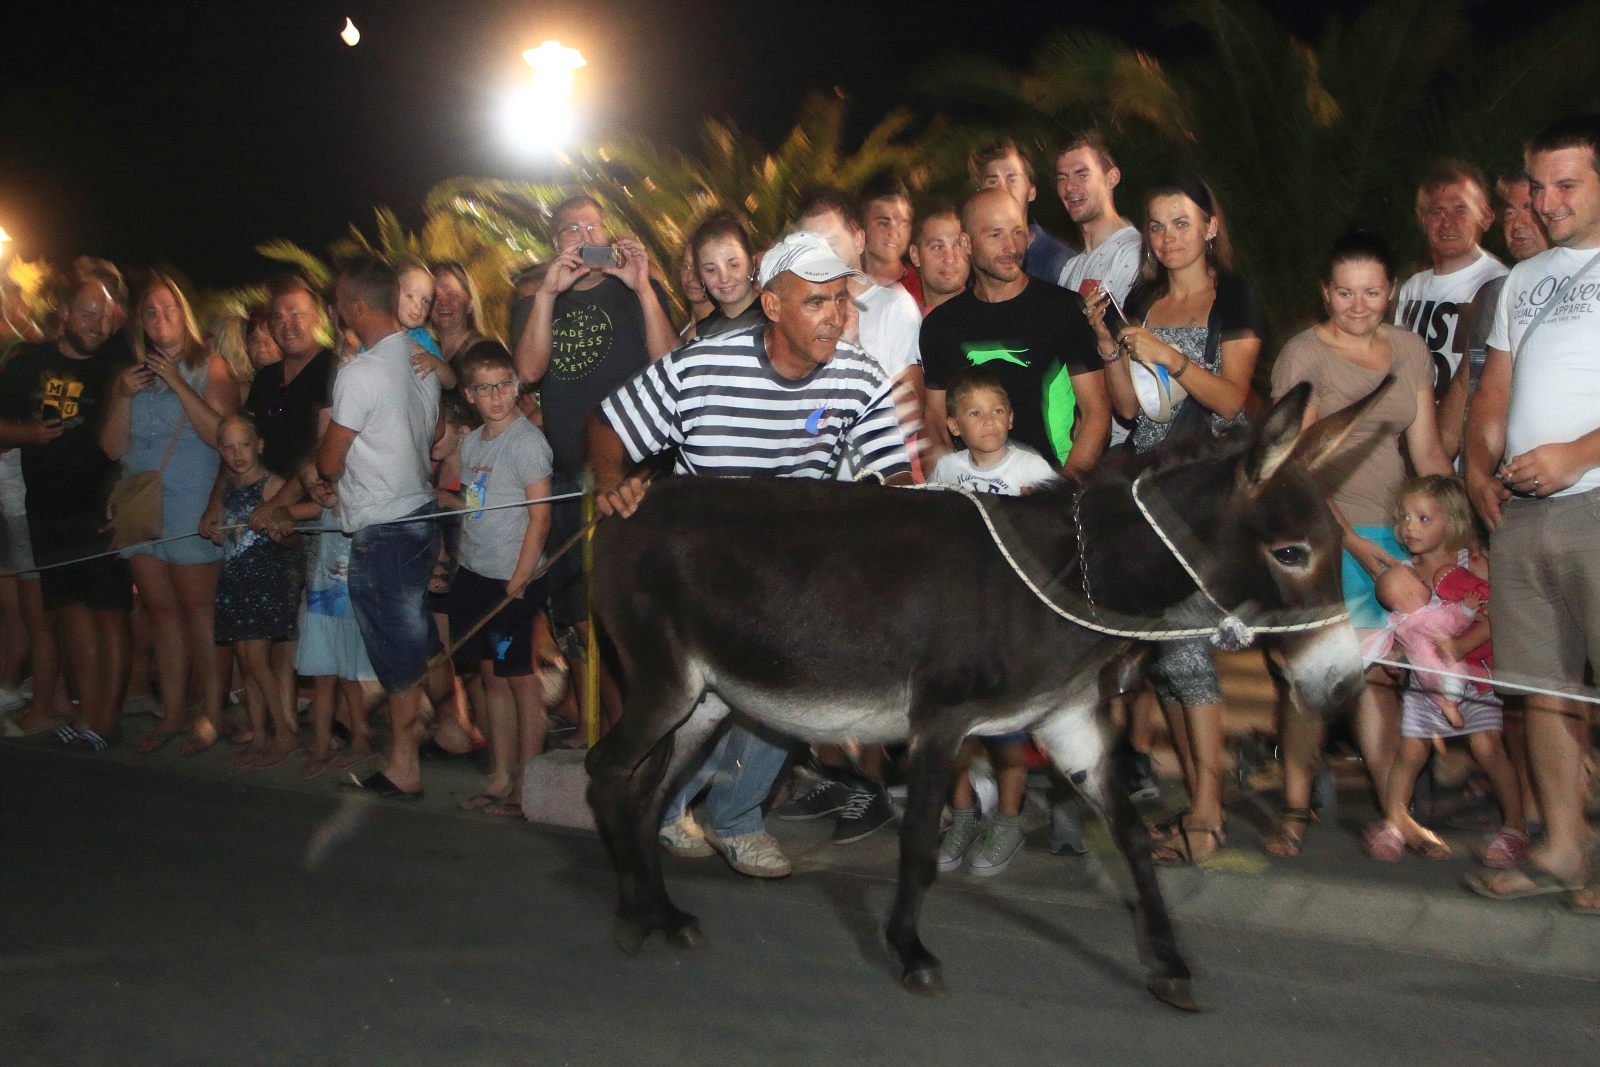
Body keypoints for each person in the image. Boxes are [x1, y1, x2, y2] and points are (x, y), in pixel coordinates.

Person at [592, 230, 913, 878]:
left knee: (801, 675)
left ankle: (733, 815)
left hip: (788, 568)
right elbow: (609, 423)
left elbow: (898, 476)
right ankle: (667, 802)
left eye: (840, 300)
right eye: (817, 301)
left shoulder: (858, 375)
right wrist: (610, 480)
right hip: (700, 569)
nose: (835, 316)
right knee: (689, 702)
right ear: (772, 305)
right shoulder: (701, 366)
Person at [1084, 175, 1261, 864]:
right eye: (1157, 225)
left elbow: (1232, 400)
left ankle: (1208, 816)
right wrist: (1108, 344)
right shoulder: (1142, 299)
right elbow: (1130, 410)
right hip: (1148, 492)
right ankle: (1197, 800)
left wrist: (1170, 356)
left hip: (1206, 492)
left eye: (1181, 222)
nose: (1167, 237)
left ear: (1211, 226)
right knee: (1167, 657)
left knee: (1186, 648)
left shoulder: (1232, 295)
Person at [1268, 228, 1452, 858]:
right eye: (1345, 293)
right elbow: (1290, 465)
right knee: (1314, 679)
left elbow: (1427, 450)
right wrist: (1349, 541)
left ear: (1390, 290)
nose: (1358, 305)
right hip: (1321, 534)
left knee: (1378, 678)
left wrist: (1451, 535)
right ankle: (1293, 810)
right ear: (1326, 292)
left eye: (1371, 292)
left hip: (1393, 533)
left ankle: (1395, 814)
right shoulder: (1303, 355)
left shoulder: (1409, 350)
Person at [1464, 115, 1600, 913]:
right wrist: (1477, 468)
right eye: (1538, 186)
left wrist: (1577, 454)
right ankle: (1562, 846)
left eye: (1566, 184)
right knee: (1540, 688)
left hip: (1593, 501)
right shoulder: (1523, 280)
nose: (1547, 202)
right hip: (1522, 515)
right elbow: (1494, 389)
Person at [512, 194, 674, 655]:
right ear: (556, 243)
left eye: (593, 228)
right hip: (567, 478)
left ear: (607, 234)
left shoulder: (639, 291)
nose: (585, 237)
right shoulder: (536, 303)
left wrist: (643, 287)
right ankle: (598, 703)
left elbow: (668, 363)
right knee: (581, 613)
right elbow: (528, 372)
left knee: (639, 609)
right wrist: (547, 294)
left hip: (633, 476)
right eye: (573, 230)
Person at [317, 257, 443, 800]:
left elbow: (328, 461)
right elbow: (432, 432)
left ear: (355, 307)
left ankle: (403, 766)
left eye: (339, 305)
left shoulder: (360, 373)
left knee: (397, 653)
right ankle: (451, 726)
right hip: (421, 515)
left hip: (385, 527)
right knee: (417, 637)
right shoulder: (422, 362)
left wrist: (330, 471)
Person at [99, 274, 239, 754]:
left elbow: (222, 437)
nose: (161, 319)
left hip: (192, 500)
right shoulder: (131, 375)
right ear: (141, 321)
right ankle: (174, 711)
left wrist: (178, 383)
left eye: (169, 309)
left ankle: (212, 713)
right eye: (151, 312)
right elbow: (112, 447)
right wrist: (122, 396)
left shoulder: (210, 366)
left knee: (201, 613)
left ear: (184, 314)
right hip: (143, 505)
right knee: (161, 614)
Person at [930, 371, 1059, 877]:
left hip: (1010, 620)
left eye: (997, 411)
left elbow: (1054, 537)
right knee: (954, 725)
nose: (988, 422)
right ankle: (962, 815)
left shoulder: (1031, 468)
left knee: (1007, 727)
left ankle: (1008, 819)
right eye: (975, 413)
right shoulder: (947, 469)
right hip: (958, 616)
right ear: (954, 425)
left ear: (1012, 418)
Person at [1360, 476, 1527, 866]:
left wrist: (1462, 646)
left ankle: (1515, 826)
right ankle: (1395, 821)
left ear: (1452, 521)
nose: (1410, 527)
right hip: (1424, 686)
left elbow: (1496, 616)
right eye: (1404, 517)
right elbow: (1403, 626)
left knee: (1487, 749)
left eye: (1423, 518)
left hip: (1474, 680)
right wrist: (1396, 654)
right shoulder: (1404, 573)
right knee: (1409, 753)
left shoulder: (1474, 564)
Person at [0, 276, 133, 750]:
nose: (97, 324)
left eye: (104, 315)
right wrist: (27, 434)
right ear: (64, 313)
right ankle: (86, 715)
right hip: (45, 508)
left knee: (109, 612)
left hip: (98, 509)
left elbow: (129, 443)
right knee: (72, 612)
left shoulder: (117, 366)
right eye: (87, 313)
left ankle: (106, 721)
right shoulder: (29, 362)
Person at [921, 187, 1110, 479]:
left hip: (1051, 486)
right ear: (966, 243)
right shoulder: (941, 326)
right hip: (974, 495)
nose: (1011, 246)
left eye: (1018, 232)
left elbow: (1096, 413)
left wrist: (1061, 491)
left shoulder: (1063, 310)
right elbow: (935, 422)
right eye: (995, 235)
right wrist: (950, 487)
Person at [449, 345, 555, 814]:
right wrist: (459, 561)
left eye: (503, 385)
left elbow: (541, 518)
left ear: (516, 386)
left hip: (512, 578)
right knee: (491, 676)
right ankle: (500, 773)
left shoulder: (527, 443)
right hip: (476, 572)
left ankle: (527, 783)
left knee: (520, 679)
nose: (495, 396)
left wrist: (519, 580)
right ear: (469, 394)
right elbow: (474, 507)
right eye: (484, 388)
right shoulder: (471, 444)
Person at [1394, 160, 1507, 459]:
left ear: (1486, 216)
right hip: (1415, 443)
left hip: (1467, 451)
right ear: (1422, 219)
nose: (1448, 222)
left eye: (1461, 210)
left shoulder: (1499, 284)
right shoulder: (1412, 288)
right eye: (1437, 212)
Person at [213, 414, 301, 768]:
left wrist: (282, 531)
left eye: (244, 445)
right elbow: (228, 532)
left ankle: (284, 733)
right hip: (235, 581)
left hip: (263, 581)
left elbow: (293, 538)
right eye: (228, 448)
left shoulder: (272, 485)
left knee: (259, 662)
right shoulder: (227, 487)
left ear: (259, 445)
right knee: (246, 663)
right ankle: (260, 734)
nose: (237, 454)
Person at [1054, 131, 1143, 453]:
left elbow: (1132, 348)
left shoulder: (1133, 252)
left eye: (1082, 174)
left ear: (1111, 178)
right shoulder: (1071, 268)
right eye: (1062, 178)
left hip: (1123, 440)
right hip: (1081, 435)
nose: (1070, 187)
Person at [969, 139, 1076, 284]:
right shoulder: (966, 260)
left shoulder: (1063, 263)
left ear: (1031, 191)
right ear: (979, 194)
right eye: (993, 182)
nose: (1003, 189)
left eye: (1012, 180)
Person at [687, 210, 764, 338]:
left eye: (734, 265)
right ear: (700, 275)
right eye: (711, 270)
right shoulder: (698, 337)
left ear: (751, 264)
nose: (724, 278)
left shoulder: (778, 314)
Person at [906, 203, 970, 314]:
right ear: (915, 255)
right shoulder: (903, 317)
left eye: (958, 245)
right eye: (937, 247)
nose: (949, 259)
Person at [860, 180, 917, 297]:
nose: (894, 232)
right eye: (883, 223)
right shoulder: (842, 286)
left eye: (903, 224)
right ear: (861, 225)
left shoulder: (920, 292)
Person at [395, 261, 443, 357]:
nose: (419, 306)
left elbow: (443, 367)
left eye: (425, 301)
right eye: (410, 296)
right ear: (392, 294)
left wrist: (435, 363)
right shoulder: (376, 331)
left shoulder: (425, 341)